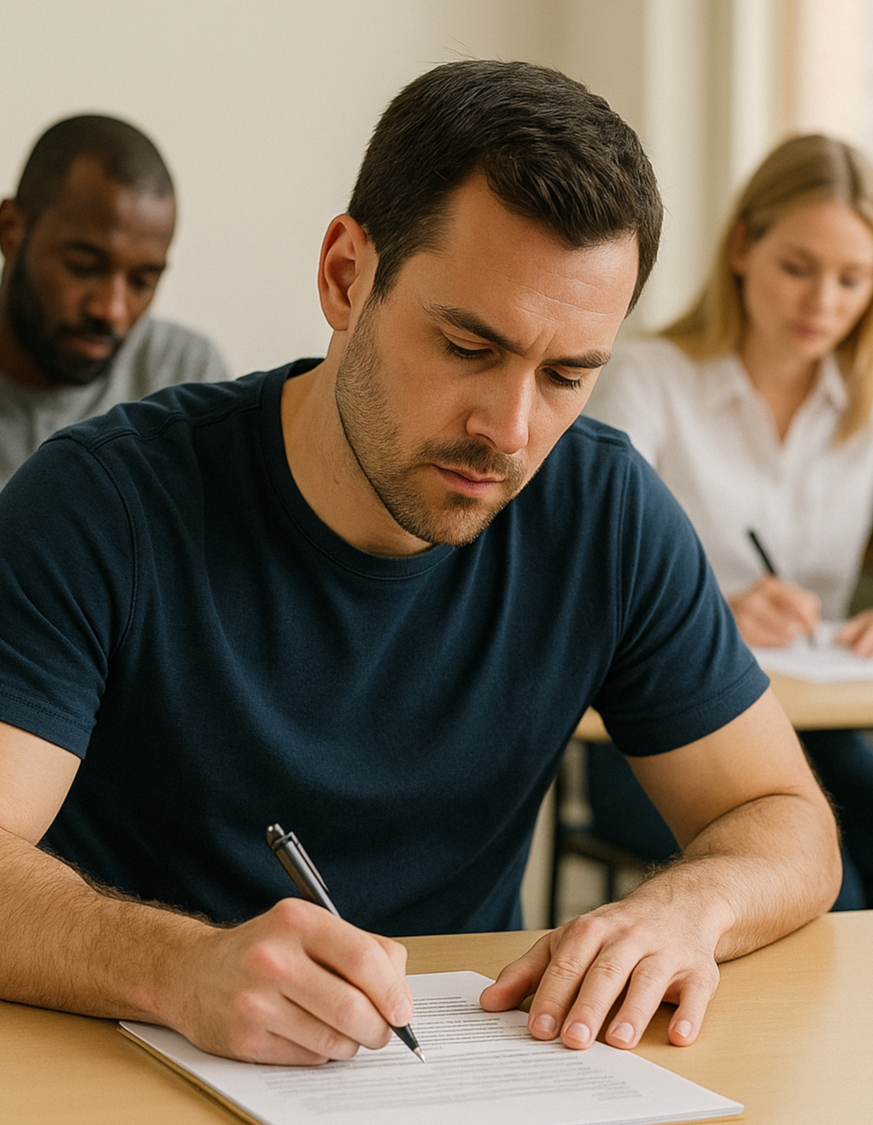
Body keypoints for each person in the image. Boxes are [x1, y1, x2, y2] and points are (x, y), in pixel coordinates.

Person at [0, 63, 839, 1068]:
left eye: (569, 373)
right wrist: (180, 964)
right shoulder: (103, 502)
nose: (511, 431)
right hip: (130, 1068)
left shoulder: (603, 511)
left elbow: (787, 823)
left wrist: (686, 908)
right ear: (346, 275)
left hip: (463, 1072)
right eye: (467, 346)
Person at [585, 131, 873, 909]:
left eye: (852, 280)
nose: (823, 304)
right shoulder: (647, 383)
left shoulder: (864, 413)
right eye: (797, 268)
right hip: (657, 739)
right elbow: (586, 569)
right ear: (742, 246)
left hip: (820, 728)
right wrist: (713, 613)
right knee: (829, 888)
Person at [0, 114, 227, 487]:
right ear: (12, 231)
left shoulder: (185, 380)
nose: (112, 310)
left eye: (142, 281)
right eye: (83, 268)